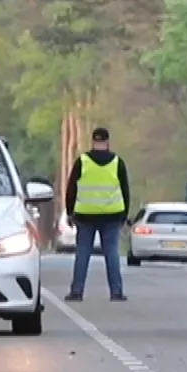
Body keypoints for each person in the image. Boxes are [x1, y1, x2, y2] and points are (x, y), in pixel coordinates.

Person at [63, 128, 130, 302]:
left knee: (83, 253)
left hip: (86, 215)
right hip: (112, 215)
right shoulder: (117, 162)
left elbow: (71, 188)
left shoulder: (82, 161)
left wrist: (70, 212)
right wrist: (124, 215)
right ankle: (116, 292)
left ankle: (77, 291)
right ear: (107, 142)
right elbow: (125, 190)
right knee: (112, 253)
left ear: (93, 142)